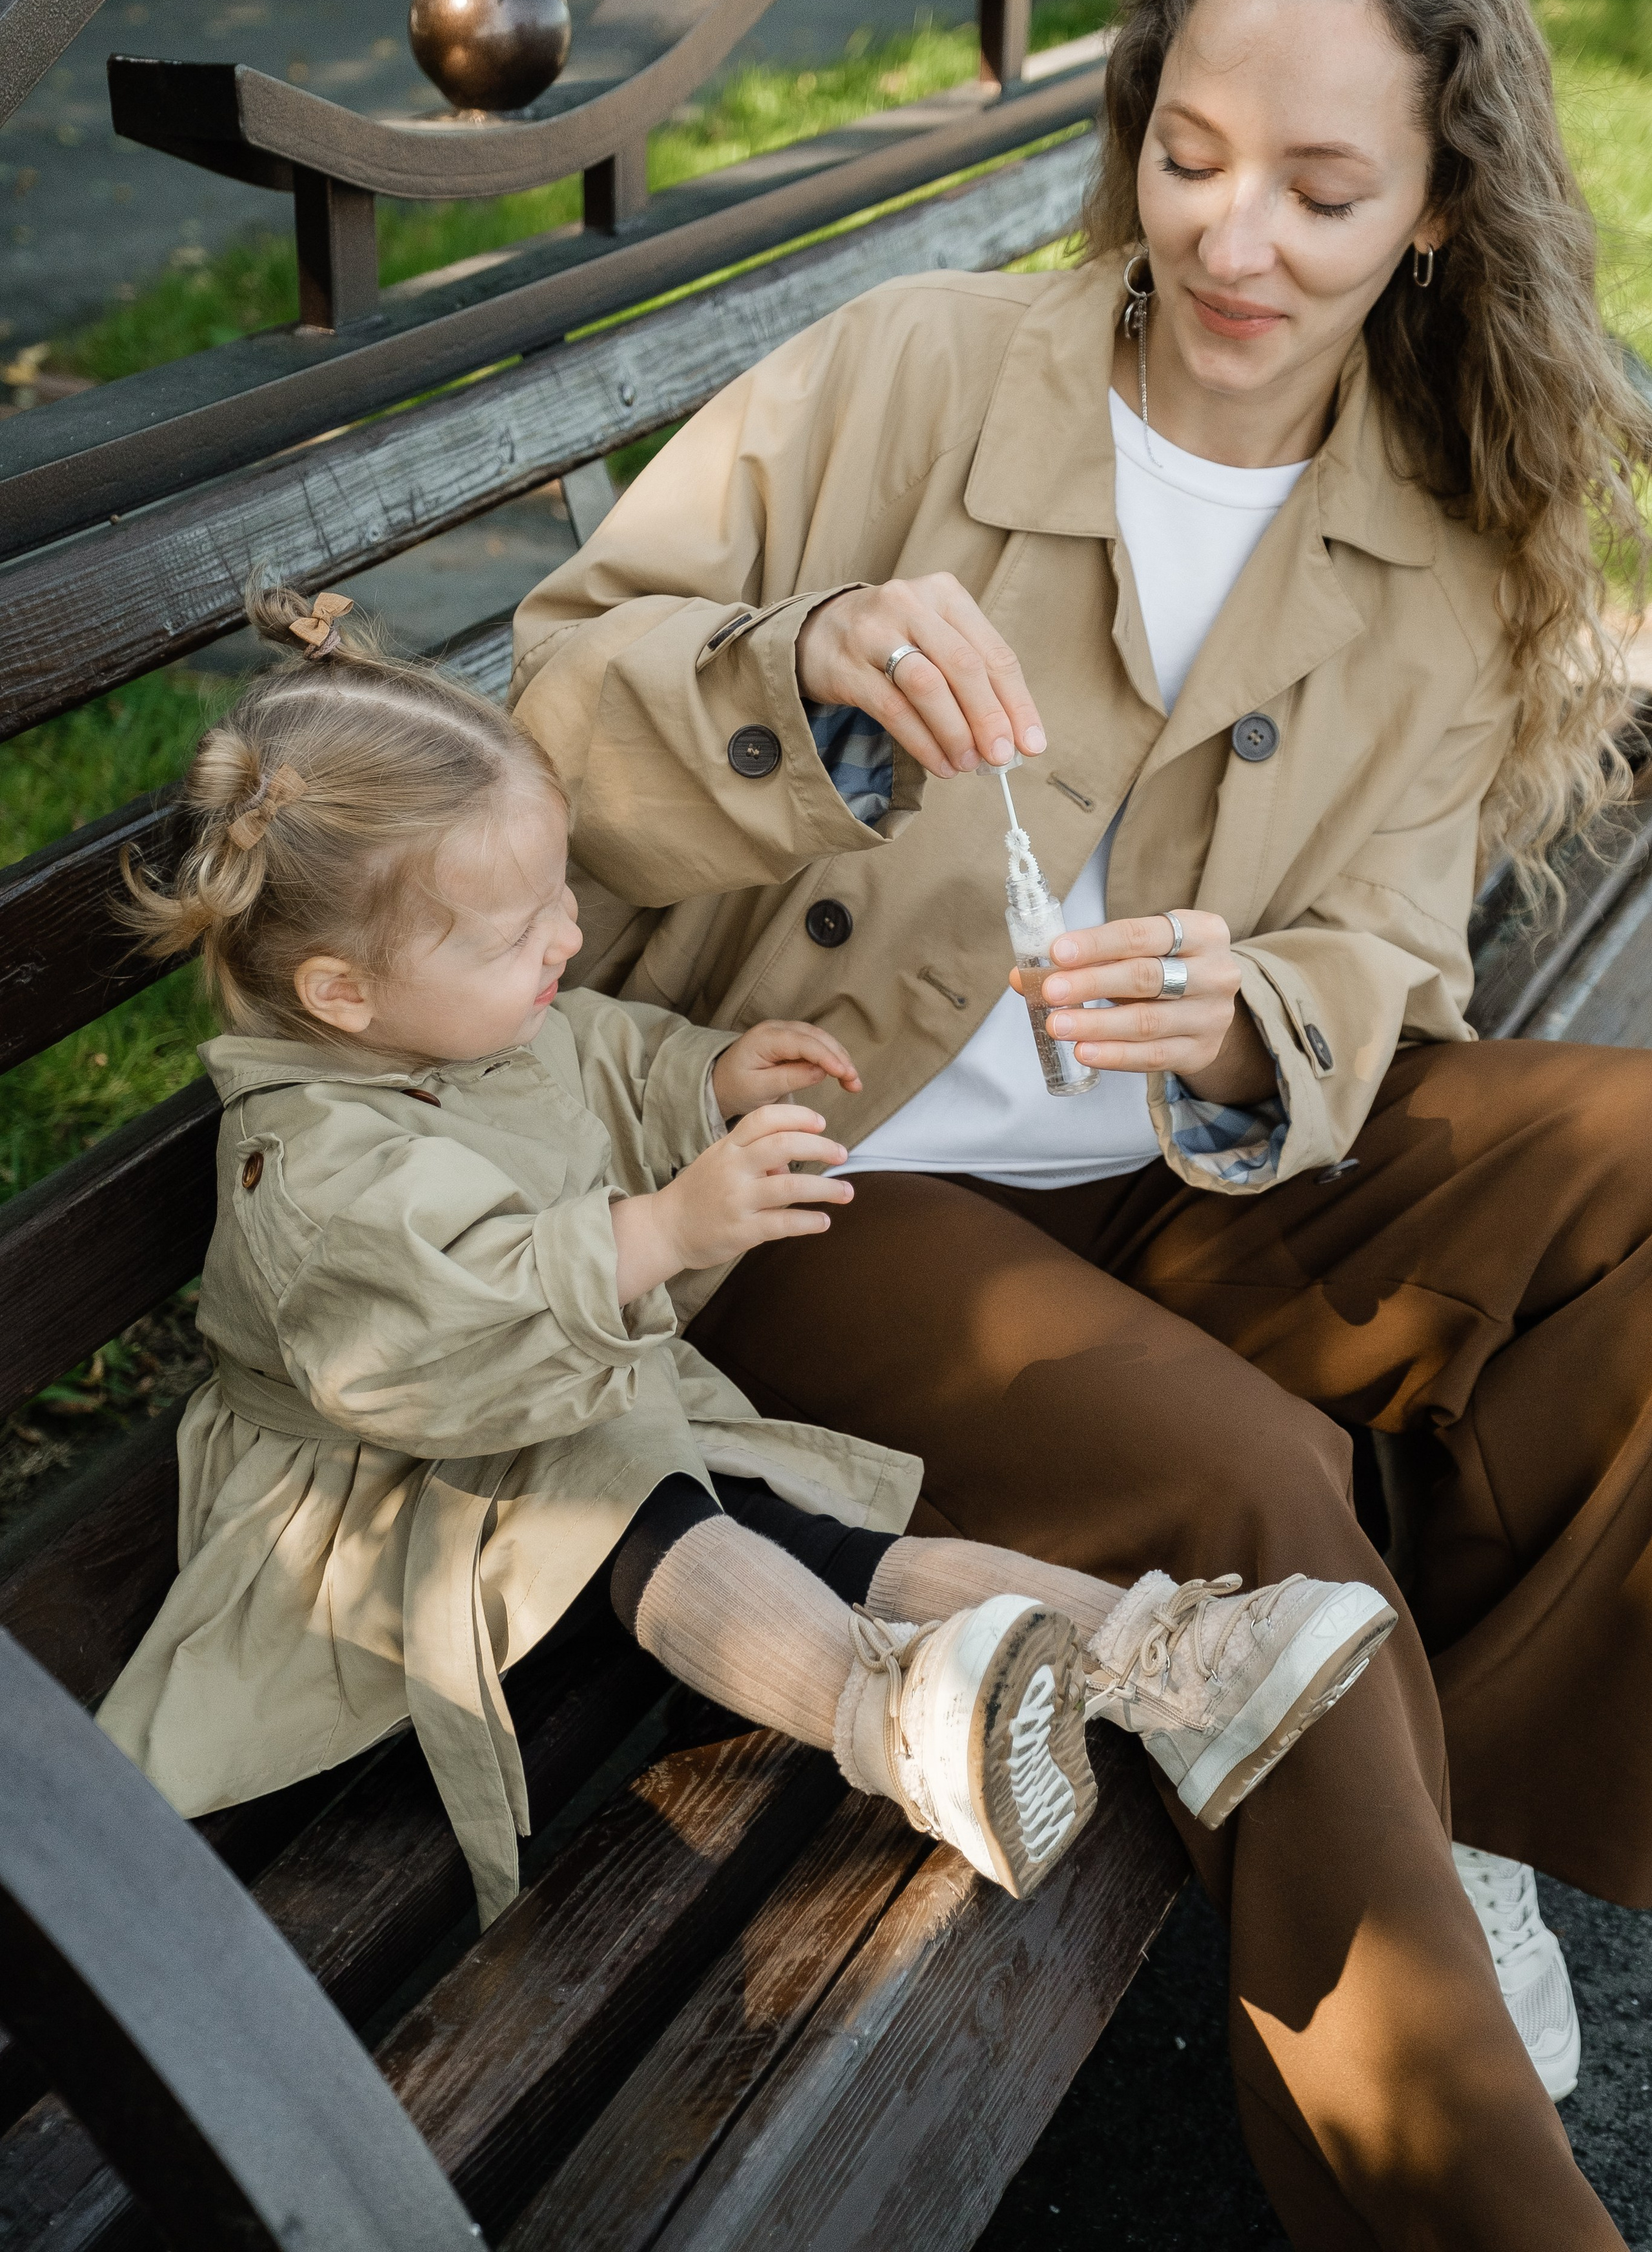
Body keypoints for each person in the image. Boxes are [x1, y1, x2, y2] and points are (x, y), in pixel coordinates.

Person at [507, 0, 1649, 2252]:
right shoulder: (920, 373)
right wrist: (790, 667)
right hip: (814, 1179)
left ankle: (1449, 1801)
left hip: (1185, 1179)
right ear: (1137, 123)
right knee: (1265, 1508)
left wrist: (1251, 1014)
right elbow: (553, 697)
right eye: (1192, 155)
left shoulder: (1432, 534)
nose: (1236, 241)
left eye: (1326, 192)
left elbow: (1384, 958)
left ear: (1440, 212)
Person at [94, 581, 1388, 1929]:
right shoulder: (309, 1168)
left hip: (552, 1430)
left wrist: (707, 1078)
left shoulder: (456, 1026)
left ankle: (1160, 1656)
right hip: (401, 1511)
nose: (567, 938)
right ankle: (891, 1725)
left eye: (558, 893)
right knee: (640, 1490)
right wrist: (660, 1230)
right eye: (515, 930)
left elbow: (594, 1048)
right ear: (339, 995)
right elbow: (432, 1343)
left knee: (809, 1524)